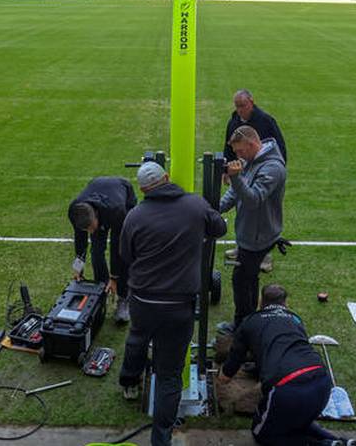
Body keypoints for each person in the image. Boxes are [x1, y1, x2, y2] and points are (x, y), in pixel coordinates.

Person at [119, 162, 227, 446]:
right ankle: (161, 438)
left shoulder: (135, 216)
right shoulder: (195, 205)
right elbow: (220, 228)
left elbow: (126, 255)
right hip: (179, 306)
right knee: (169, 375)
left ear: (143, 189)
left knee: (137, 339)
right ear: (166, 177)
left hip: (143, 300)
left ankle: (129, 382)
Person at [219, 285, 356, 446]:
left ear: (260, 301)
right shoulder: (295, 319)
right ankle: (341, 442)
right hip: (321, 381)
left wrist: (222, 376)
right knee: (298, 423)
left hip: (287, 386)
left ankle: (324, 445)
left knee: (262, 434)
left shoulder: (250, 321)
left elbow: (231, 366)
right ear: (285, 303)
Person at [219, 125, 287, 332]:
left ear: (251, 144)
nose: (238, 156)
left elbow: (253, 200)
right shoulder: (251, 159)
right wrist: (215, 208)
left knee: (241, 281)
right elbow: (235, 192)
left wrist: (235, 177)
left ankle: (243, 326)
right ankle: (249, 322)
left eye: (240, 151)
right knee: (248, 278)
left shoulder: (272, 169)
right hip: (251, 232)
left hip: (258, 237)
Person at [67, 176, 136, 323]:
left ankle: (123, 298)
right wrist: (78, 268)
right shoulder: (75, 211)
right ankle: (101, 289)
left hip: (123, 196)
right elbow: (80, 239)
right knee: (96, 251)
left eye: (91, 227)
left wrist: (114, 278)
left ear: (96, 216)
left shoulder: (117, 212)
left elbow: (117, 247)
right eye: (86, 229)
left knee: (123, 254)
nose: (90, 232)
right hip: (98, 190)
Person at [224, 89, 288, 164]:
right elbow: (228, 150)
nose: (240, 110)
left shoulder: (266, 121)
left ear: (251, 103)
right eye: (237, 106)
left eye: (242, 106)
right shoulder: (233, 123)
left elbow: (279, 146)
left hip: (263, 165)